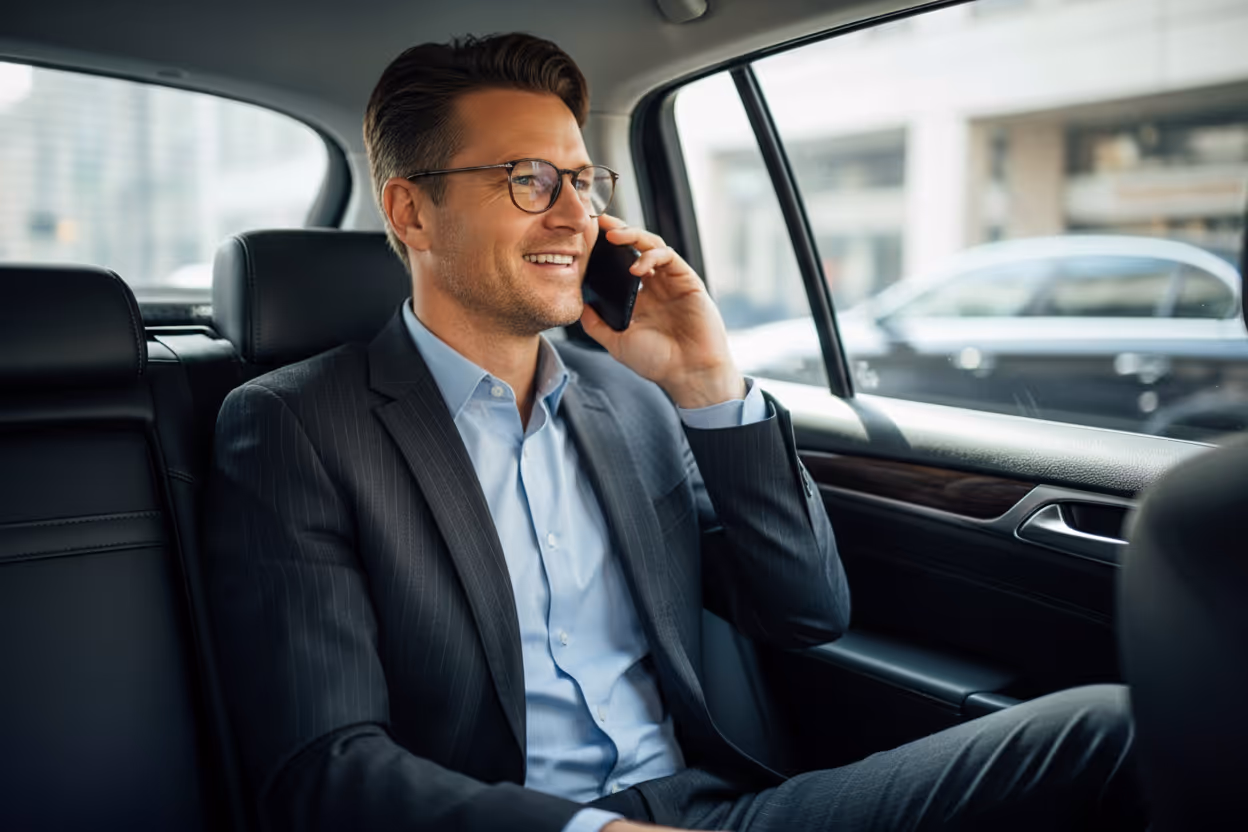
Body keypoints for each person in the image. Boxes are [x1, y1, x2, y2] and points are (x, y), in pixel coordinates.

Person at [204, 33, 1144, 832]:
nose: (578, 214)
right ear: (412, 210)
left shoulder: (632, 403)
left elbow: (807, 611)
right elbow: (322, 769)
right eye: (529, 180)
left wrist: (706, 385)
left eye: (582, 179)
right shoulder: (296, 426)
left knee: (1114, 729)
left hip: (719, 807)